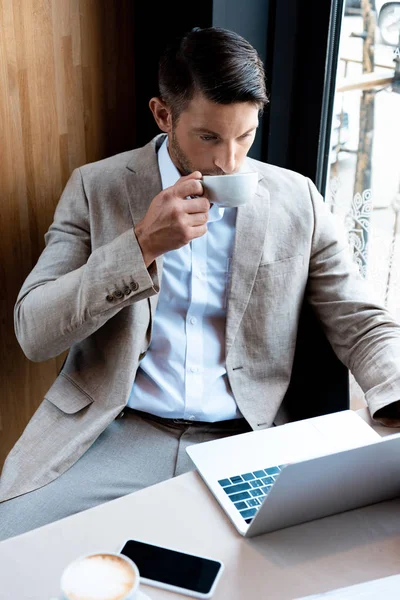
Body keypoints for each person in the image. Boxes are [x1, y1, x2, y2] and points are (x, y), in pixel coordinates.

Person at [1, 26, 400, 541]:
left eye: (246, 135)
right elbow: (34, 331)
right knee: (14, 553)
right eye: (209, 137)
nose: (229, 161)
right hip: (112, 430)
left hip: (243, 438)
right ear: (163, 115)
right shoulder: (96, 187)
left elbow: (362, 320)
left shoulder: (297, 198)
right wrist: (140, 245)